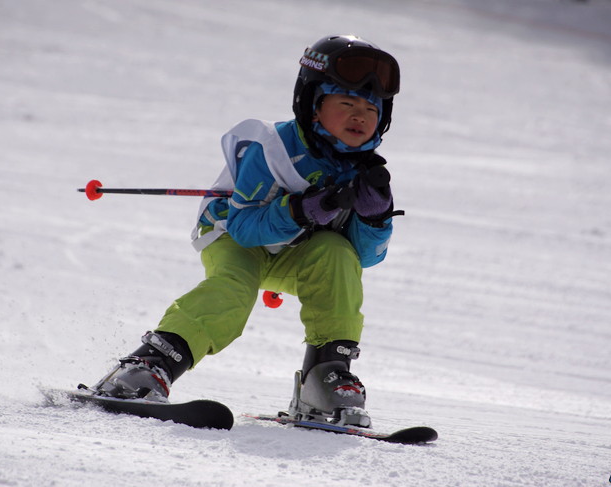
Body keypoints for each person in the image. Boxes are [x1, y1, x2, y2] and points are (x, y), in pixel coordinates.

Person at [86, 34, 401, 428]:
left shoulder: (365, 171)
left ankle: (325, 375)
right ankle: (146, 366)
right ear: (314, 107)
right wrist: (305, 208)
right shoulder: (273, 148)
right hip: (233, 236)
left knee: (337, 255)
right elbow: (246, 227)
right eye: (346, 103)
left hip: (295, 251)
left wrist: (375, 218)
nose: (360, 115)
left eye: (371, 108)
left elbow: (364, 258)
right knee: (234, 289)